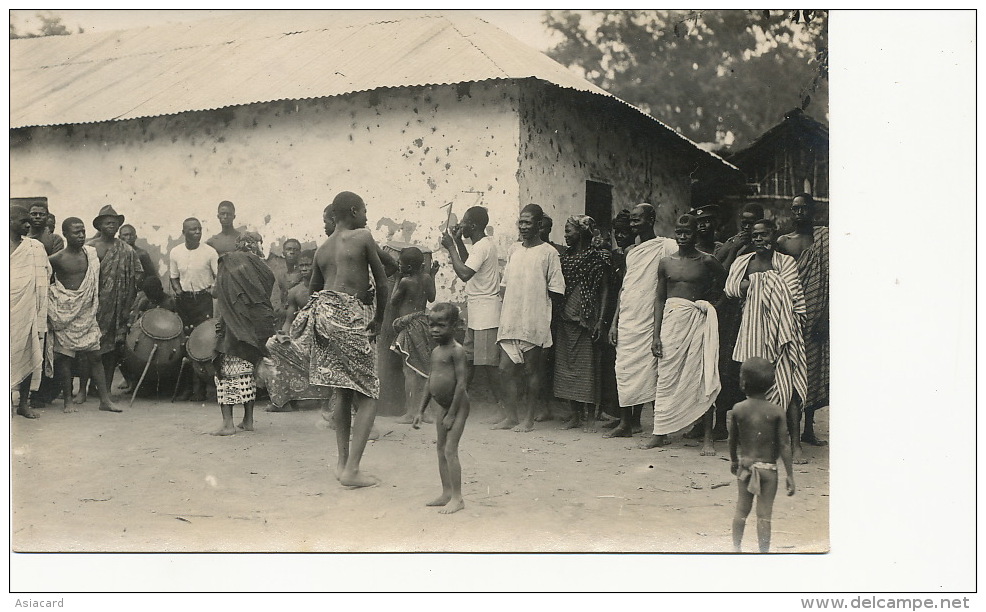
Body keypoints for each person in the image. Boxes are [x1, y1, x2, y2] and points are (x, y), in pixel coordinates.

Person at [301, 191, 389, 488]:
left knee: (343, 389)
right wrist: (377, 317)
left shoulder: (321, 249)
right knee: (369, 393)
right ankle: (353, 470)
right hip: (353, 315)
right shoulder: (362, 236)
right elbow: (384, 280)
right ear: (353, 211)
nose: (366, 216)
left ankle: (341, 464)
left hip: (326, 317)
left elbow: (313, 290)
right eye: (365, 210)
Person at [725, 219, 808, 464]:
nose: (759, 239)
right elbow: (731, 288)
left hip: (783, 330)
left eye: (763, 235)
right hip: (752, 331)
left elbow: (791, 292)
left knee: (788, 386)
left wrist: (755, 283)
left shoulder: (786, 262)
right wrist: (764, 282)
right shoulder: (742, 262)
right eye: (755, 236)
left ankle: (796, 445)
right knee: (752, 386)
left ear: (773, 235)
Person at [641, 214, 725, 453]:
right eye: (679, 232)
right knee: (666, 375)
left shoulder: (707, 261)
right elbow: (659, 299)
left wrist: (711, 308)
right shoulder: (666, 262)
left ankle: (707, 438)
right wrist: (655, 335)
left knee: (701, 375)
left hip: (697, 322)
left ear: (696, 234)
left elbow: (726, 288)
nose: (682, 236)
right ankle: (660, 431)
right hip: (671, 323)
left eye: (687, 232)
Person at [605, 203, 677, 438]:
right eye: (632, 220)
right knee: (623, 370)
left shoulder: (666, 246)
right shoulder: (630, 252)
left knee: (655, 373)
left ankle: (661, 428)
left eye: (638, 220)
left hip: (651, 319)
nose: (634, 224)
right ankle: (626, 423)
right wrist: (615, 322)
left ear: (651, 219)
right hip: (628, 318)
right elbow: (624, 289)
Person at [494, 204, 565, 433]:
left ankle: (529, 420)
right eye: (521, 222)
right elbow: (504, 285)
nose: (524, 227)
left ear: (538, 225)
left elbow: (556, 290)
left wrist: (544, 319)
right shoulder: (514, 250)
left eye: (528, 222)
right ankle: (511, 417)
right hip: (511, 318)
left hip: (534, 319)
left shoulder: (549, 253)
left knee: (531, 371)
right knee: (505, 369)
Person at [48, 217, 121, 413]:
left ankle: (104, 400)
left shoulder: (90, 254)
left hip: (87, 312)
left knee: (95, 356)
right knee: (65, 358)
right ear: (65, 234)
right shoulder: (57, 259)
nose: (81, 235)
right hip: (65, 313)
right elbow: (46, 283)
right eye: (75, 232)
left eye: (82, 231)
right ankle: (67, 402)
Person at [440, 206, 503, 424]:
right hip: (478, 312)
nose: (461, 225)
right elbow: (469, 263)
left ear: (474, 225)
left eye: (465, 222)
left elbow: (465, 273)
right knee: (467, 361)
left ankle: (503, 409)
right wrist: (457, 242)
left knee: (488, 365)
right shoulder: (480, 246)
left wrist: (450, 248)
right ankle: (456, 407)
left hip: (486, 313)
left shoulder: (483, 246)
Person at [776, 193, 829, 446]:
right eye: (795, 209)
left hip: (816, 311)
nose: (799, 213)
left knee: (812, 369)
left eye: (804, 208)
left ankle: (808, 428)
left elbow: (832, 281)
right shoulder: (783, 241)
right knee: (788, 368)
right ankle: (788, 429)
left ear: (813, 211)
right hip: (788, 312)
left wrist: (825, 318)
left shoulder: (824, 240)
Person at [211, 234, 277, 435]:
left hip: (234, 324)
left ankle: (228, 424)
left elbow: (216, 293)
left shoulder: (230, 262)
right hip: (256, 326)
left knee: (225, 373)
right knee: (248, 370)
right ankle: (248, 420)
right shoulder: (263, 268)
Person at [728, 357, 796, 553]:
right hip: (768, 470)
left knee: (741, 510)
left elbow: (732, 440)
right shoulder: (777, 411)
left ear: (743, 382)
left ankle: (736, 549)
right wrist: (790, 475)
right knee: (764, 515)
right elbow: (784, 445)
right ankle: (763, 553)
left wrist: (734, 460)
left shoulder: (738, 409)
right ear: (772, 383)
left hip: (746, 467)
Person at [711, 203, 765, 441]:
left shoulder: (761, 246)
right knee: (723, 366)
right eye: (743, 220)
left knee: (748, 368)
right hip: (729, 313)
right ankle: (720, 422)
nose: (746, 225)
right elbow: (718, 269)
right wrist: (734, 249)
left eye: (751, 221)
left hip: (752, 314)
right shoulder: (732, 242)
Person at [411, 303, 470, 514]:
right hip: (441, 406)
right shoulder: (435, 351)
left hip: (458, 406)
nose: (435, 330)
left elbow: (462, 385)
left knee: (450, 450)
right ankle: (446, 492)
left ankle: (457, 497)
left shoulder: (457, 351)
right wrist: (420, 410)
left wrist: (452, 414)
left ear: (454, 326)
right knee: (440, 449)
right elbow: (430, 381)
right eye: (431, 325)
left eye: (441, 325)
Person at [554, 215, 611, 432]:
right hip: (566, 316)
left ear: (581, 232)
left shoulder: (597, 257)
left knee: (587, 366)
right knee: (566, 365)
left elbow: (604, 289)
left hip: (587, 317)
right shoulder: (565, 257)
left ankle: (589, 416)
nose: (566, 236)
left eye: (569, 231)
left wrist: (601, 321)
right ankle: (575, 414)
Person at [262, 249, 334, 412]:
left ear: (316, 266)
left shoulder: (326, 289)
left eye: (308, 265)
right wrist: (283, 336)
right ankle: (281, 400)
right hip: (302, 337)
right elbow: (288, 320)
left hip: (324, 336)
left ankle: (327, 401)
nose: (304, 269)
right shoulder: (295, 291)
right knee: (272, 346)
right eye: (301, 265)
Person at [84, 205, 143, 399]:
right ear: (99, 225)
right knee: (87, 348)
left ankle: (105, 389)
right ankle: (84, 390)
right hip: (91, 306)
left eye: (115, 222)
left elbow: (136, 279)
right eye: (107, 222)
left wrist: (128, 307)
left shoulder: (127, 250)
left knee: (110, 350)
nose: (112, 225)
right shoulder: (89, 247)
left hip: (117, 308)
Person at [169, 217, 220, 402]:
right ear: (184, 232)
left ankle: (201, 390)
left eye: (199, 229)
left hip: (203, 301)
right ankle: (187, 388)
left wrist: (211, 289)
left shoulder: (210, 252)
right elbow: (174, 277)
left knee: (202, 343)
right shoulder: (175, 252)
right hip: (184, 301)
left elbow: (219, 276)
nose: (197, 232)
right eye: (193, 229)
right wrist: (178, 291)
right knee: (184, 343)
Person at [9, 206, 52, 419]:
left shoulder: (35, 247)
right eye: (22, 221)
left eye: (29, 221)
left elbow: (46, 274)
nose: (28, 224)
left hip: (27, 310)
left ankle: (23, 404)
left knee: (27, 351)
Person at [389, 247, 438, 423]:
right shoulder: (426, 278)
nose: (398, 266)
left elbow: (394, 301)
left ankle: (411, 413)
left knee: (409, 369)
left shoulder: (405, 281)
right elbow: (431, 298)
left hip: (408, 326)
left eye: (400, 264)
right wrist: (432, 275)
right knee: (424, 370)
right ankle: (425, 412)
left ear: (408, 268)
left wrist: (396, 280)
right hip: (423, 324)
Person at [597, 209, 634, 427]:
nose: (619, 236)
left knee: (628, 362)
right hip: (612, 308)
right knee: (613, 363)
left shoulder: (634, 254)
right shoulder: (614, 254)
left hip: (626, 309)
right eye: (616, 232)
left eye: (624, 231)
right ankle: (618, 414)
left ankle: (632, 418)